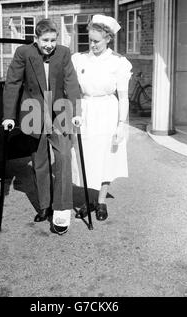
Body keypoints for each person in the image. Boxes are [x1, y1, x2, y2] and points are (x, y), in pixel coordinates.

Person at [2, 18, 81, 235]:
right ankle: (45, 205)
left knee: (64, 156)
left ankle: (62, 210)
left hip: (59, 109)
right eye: (45, 40)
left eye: (53, 40)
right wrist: (8, 116)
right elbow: (13, 84)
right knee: (40, 162)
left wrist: (76, 112)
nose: (49, 44)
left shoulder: (64, 53)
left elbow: (71, 83)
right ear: (36, 39)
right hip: (33, 110)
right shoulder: (23, 53)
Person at [71, 14, 132, 221]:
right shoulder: (79, 59)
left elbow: (123, 97)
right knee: (86, 157)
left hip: (108, 111)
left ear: (108, 38)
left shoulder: (119, 62)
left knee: (107, 157)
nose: (92, 44)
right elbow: (73, 89)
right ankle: (89, 200)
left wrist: (121, 124)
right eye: (90, 39)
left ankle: (102, 201)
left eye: (96, 41)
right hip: (86, 110)